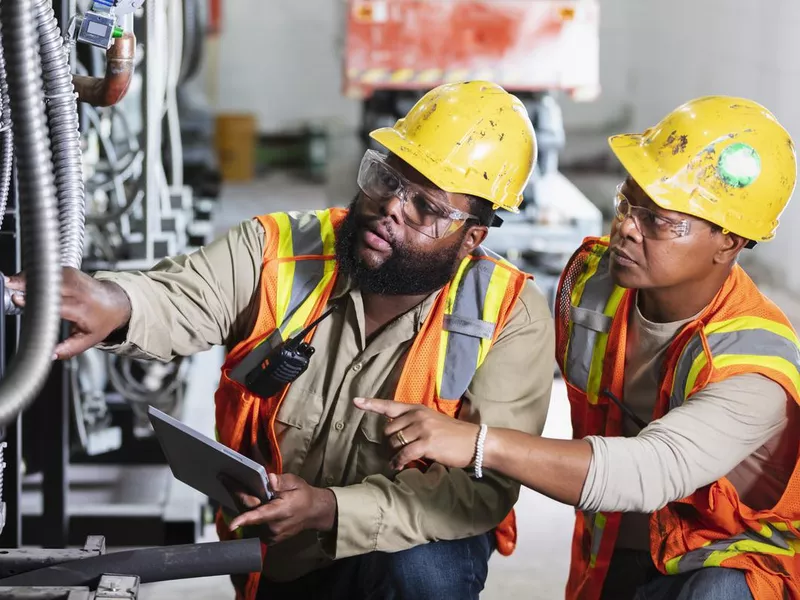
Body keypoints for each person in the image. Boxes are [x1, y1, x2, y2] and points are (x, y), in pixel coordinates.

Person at [7, 81, 555, 600]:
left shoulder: (508, 316)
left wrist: (332, 509)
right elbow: (184, 297)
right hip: (278, 543)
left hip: (404, 544)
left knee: (423, 570)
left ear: (472, 238)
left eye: (426, 209)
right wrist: (117, 303)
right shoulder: (280, 248)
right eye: (389, 180)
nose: (392, 207)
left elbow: (482, 489)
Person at [355, 96, 800, 600]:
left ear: (729, 242)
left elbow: (650, 471)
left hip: (735, 564)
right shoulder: (593, 282)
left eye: (660, 220)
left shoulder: (756, 364)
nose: (627, 227)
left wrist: (479, 443)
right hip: (617, 548)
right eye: (628, 203)